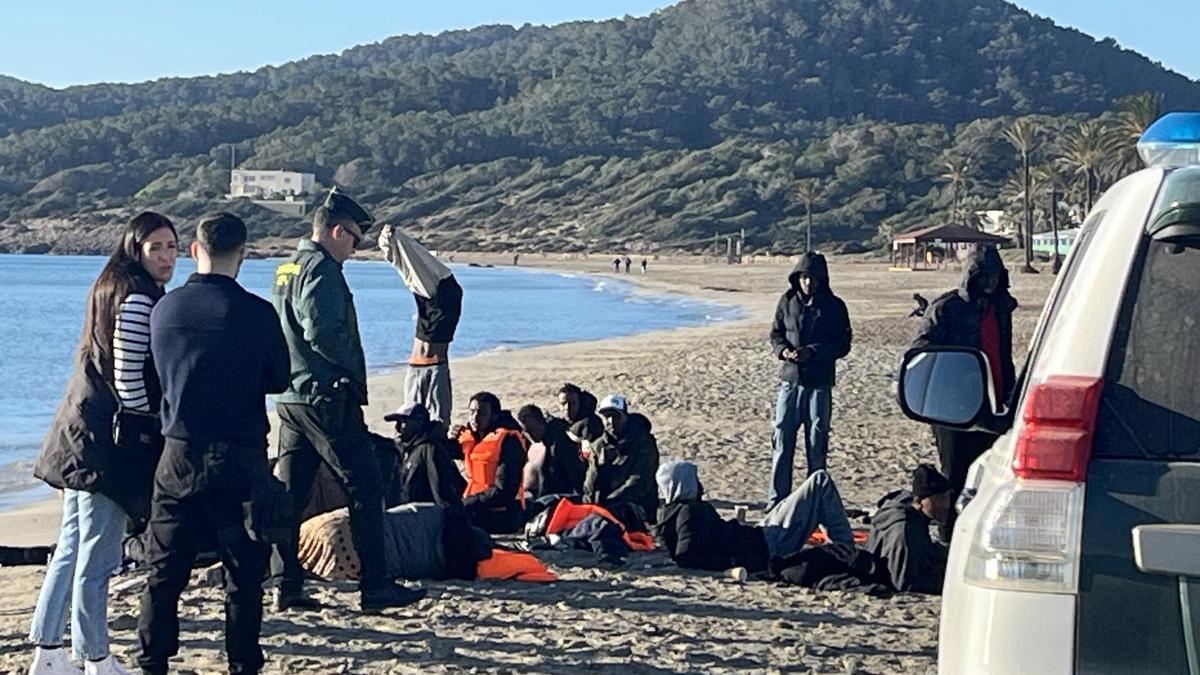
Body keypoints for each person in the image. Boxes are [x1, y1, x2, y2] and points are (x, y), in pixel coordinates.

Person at [135, 214, 288, 675]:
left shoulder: (166, 309)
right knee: (244, 572)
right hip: (239, 454)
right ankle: (243, 661)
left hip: (179, 450)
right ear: (241, 255)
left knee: (164, 570)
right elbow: (279, 377)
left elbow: (150, 376)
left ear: (195, 251)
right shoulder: (259, 314)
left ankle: (153, 659)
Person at [29, 212, 178, 675]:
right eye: (157, 247)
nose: (167, 257)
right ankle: (94, 657)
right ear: (136, 248)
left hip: (81, 431)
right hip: (107, 444)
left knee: (72, 547)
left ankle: (48, 650)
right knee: (97, 556)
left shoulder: (110, 285)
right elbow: (130, 380)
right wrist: (157, 417)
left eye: (172, 247)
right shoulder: (137, 298)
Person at [272, 190, 426, 612]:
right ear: (337, 231)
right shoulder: (321, 270)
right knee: (365, 484)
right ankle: (375, 585)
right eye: (355, 240)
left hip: (292, 395)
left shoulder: (286, 267)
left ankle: (287, 585)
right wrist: (347, 373)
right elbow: (321, 331)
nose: (355, 249)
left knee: (292, 492)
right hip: (324, 395)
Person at [911, 246, 1017, 537]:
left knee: (987, 475)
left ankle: (979, 535)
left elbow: (1003, 354)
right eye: (984, 276)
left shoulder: (1002, 308)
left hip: (994, 403)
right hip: (952, 410)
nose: (990, 282)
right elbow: (920, 350)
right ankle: (949, 540)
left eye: (994, 276)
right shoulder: (946, 308)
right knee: (955, 478)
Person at [655, 460, 854, 573]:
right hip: (769, 545)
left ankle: (844, 548)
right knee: (819, 482)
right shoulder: (690, 512)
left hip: (760, 534)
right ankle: (848, 551)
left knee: (806, 492)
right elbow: (687, 556)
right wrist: (736, 561)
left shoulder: (668, 512)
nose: (700, 485)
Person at [768, 251, 852, 508]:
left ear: (822, 279)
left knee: (817, 442)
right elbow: (775, 333)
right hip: (790, 381)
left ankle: (815, 499)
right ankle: (777, 500)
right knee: (782, 439)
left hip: (820, 383)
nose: (808, 283)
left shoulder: (835, 306)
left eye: (813, 278)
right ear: (798, 278)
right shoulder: (787, 301)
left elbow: (842, 344)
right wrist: (783, 351)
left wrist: (813, 352)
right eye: (804, 277)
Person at [377, 224, 463, 424]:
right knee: (423, 420)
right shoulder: (439, 293)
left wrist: (392, 242)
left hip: (430, 367)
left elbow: (412, 266)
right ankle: (392, 241)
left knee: (432, 421)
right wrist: (392, 243)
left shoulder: (445, 294)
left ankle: (392, 241)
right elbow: (411, 267)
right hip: (424, 366)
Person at [865, 465, 952, 594]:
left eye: (946, 497)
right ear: (918, 502)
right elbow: (903, 582)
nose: (944, 505)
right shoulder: (904, 529)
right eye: (938, 500)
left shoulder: (917, 518)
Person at [451, 392, 527, 534]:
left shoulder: (508, 441)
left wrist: (466, 504)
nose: (475, 418)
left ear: (494, 417)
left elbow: (504, 491)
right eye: (472, 412)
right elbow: (445, 452)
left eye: (481, 413)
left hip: (503, 514)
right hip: (477, 505)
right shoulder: (473, 438)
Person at [582, 395, 660, 530]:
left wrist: (609, 503)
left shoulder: (643, 442)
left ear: (625, 416)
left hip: (637, 507)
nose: (611, 421)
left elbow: (639, 482)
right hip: (603, 506)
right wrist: (598, 466)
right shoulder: (598, 446)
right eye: (607, 416)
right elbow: (588, 490)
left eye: (615, 416)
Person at [384, 402, 464, 510]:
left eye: (403, 422)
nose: (397, 428)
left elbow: (442, 494)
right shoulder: (406, 449)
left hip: (427, 515)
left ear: (419, 421)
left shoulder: (430, 449)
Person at [516, 404, 585, 500]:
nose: (530, 436)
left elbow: (575, 472)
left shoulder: (560, 441)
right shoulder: (544, 443)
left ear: (538, 422)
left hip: (563, 499)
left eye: (531, 430)